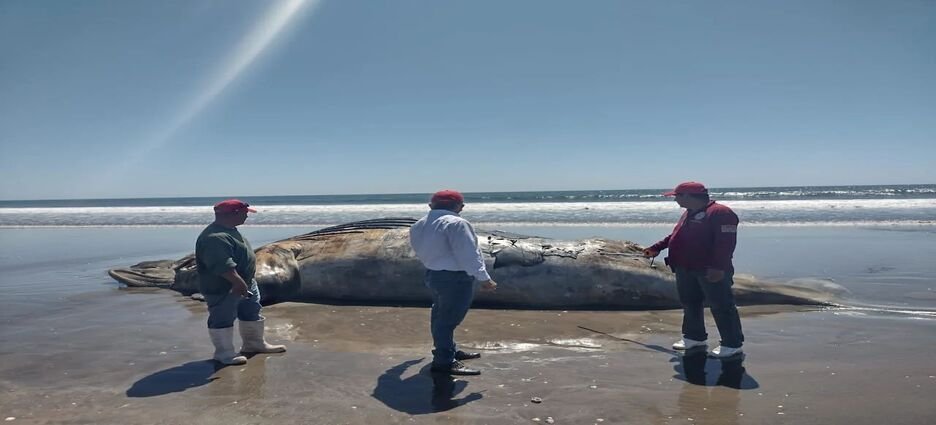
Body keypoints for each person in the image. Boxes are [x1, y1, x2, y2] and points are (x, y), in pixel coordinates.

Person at [643, 182, 744, 358]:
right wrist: (656, 247)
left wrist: (718, 267)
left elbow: (725, 244)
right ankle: (694, 337)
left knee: (721, 305)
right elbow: (675, 236)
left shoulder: (721, 213)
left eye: (677, 196)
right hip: (685, 267)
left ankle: (732, 343)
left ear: (689, 196)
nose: (675, 200)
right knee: (690, 303)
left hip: (710, 269)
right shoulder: (688, 213)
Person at [409, 190, 497, 375]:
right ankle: (445, 361)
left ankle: (448, 351)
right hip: (455, 279)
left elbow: (420, 250)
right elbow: (468, 255)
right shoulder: (457, 223)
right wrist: (484, 279)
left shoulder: (418, 225)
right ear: (460, 207)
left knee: (440, 315)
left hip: (434, 275)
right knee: (447, 321)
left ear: (431, 205)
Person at [195, 199, 286, 365]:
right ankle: (224, 353)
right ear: (234, 213)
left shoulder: (231, 230)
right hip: (225, 287)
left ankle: (254, 344)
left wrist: (246, 281)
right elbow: (222, 265)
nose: (247, 216)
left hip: (245, 282)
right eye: (245, 213)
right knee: (222, 317)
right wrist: (237, 282)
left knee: (251, 312)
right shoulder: (214, 237)